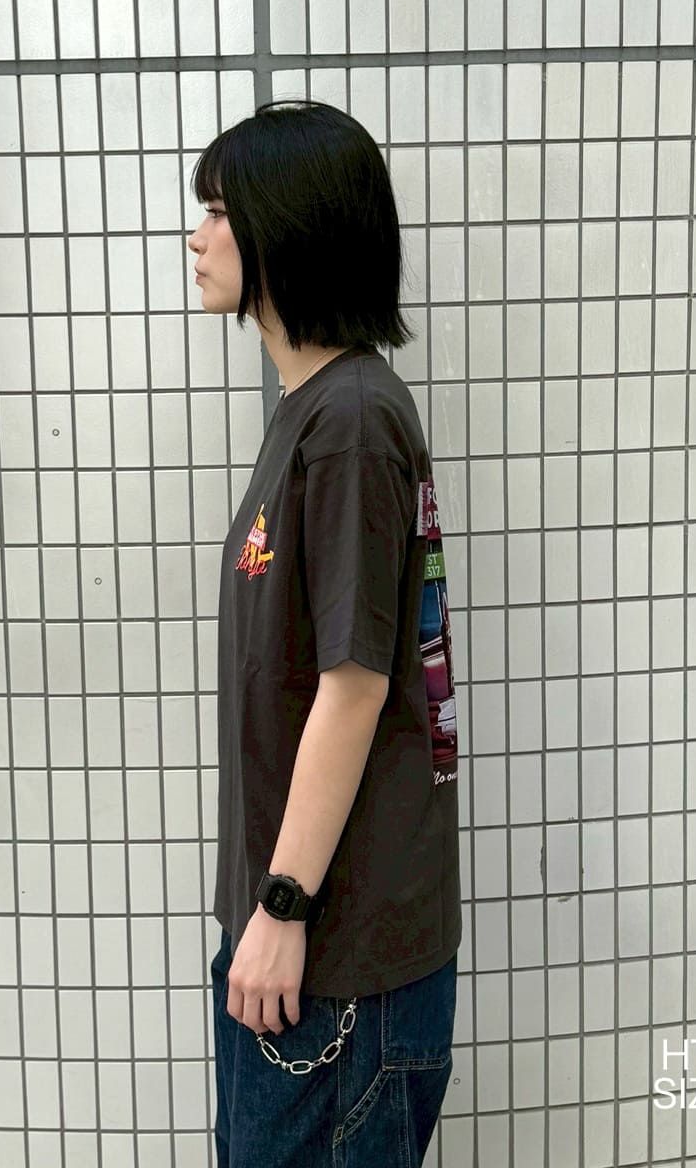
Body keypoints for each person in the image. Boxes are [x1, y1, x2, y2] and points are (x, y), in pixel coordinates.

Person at [186, 99, 461, 1167]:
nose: (197, 235)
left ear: (287, 226)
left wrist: (283, 905)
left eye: (220, 210)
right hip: (301, 951)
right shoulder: (315, 409)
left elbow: (355, 686)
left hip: (332, 967)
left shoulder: (347, 422)